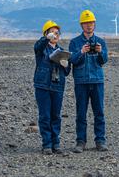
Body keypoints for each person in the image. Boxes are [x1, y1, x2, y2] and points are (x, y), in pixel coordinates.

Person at [69, 10, 108, 153]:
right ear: (81, 25)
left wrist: (100, 51)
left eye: (91, 22)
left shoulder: (101, 42)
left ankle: (100, 141)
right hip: (81, 82)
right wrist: (81, 52)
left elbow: (104, 61)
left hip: (97, 80)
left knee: (99, 112)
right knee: (81, 113)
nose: (89, 25)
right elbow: (72, 60)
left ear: (94, 24)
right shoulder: (74, 43)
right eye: (86, 23)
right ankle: (81, 142)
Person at [33, 20, 71, 155]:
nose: (55, 35)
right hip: (43, 86)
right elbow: (37, 46)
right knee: (45, 116)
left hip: (57, 86)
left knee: (56, 115)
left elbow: (66, 73)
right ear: (46, 34)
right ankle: (47, 144)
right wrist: (45, 39)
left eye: (57, 33)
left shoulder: (61, 51)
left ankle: (56, 144)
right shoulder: (42, 49)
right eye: (52, 32)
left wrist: (66, 65)